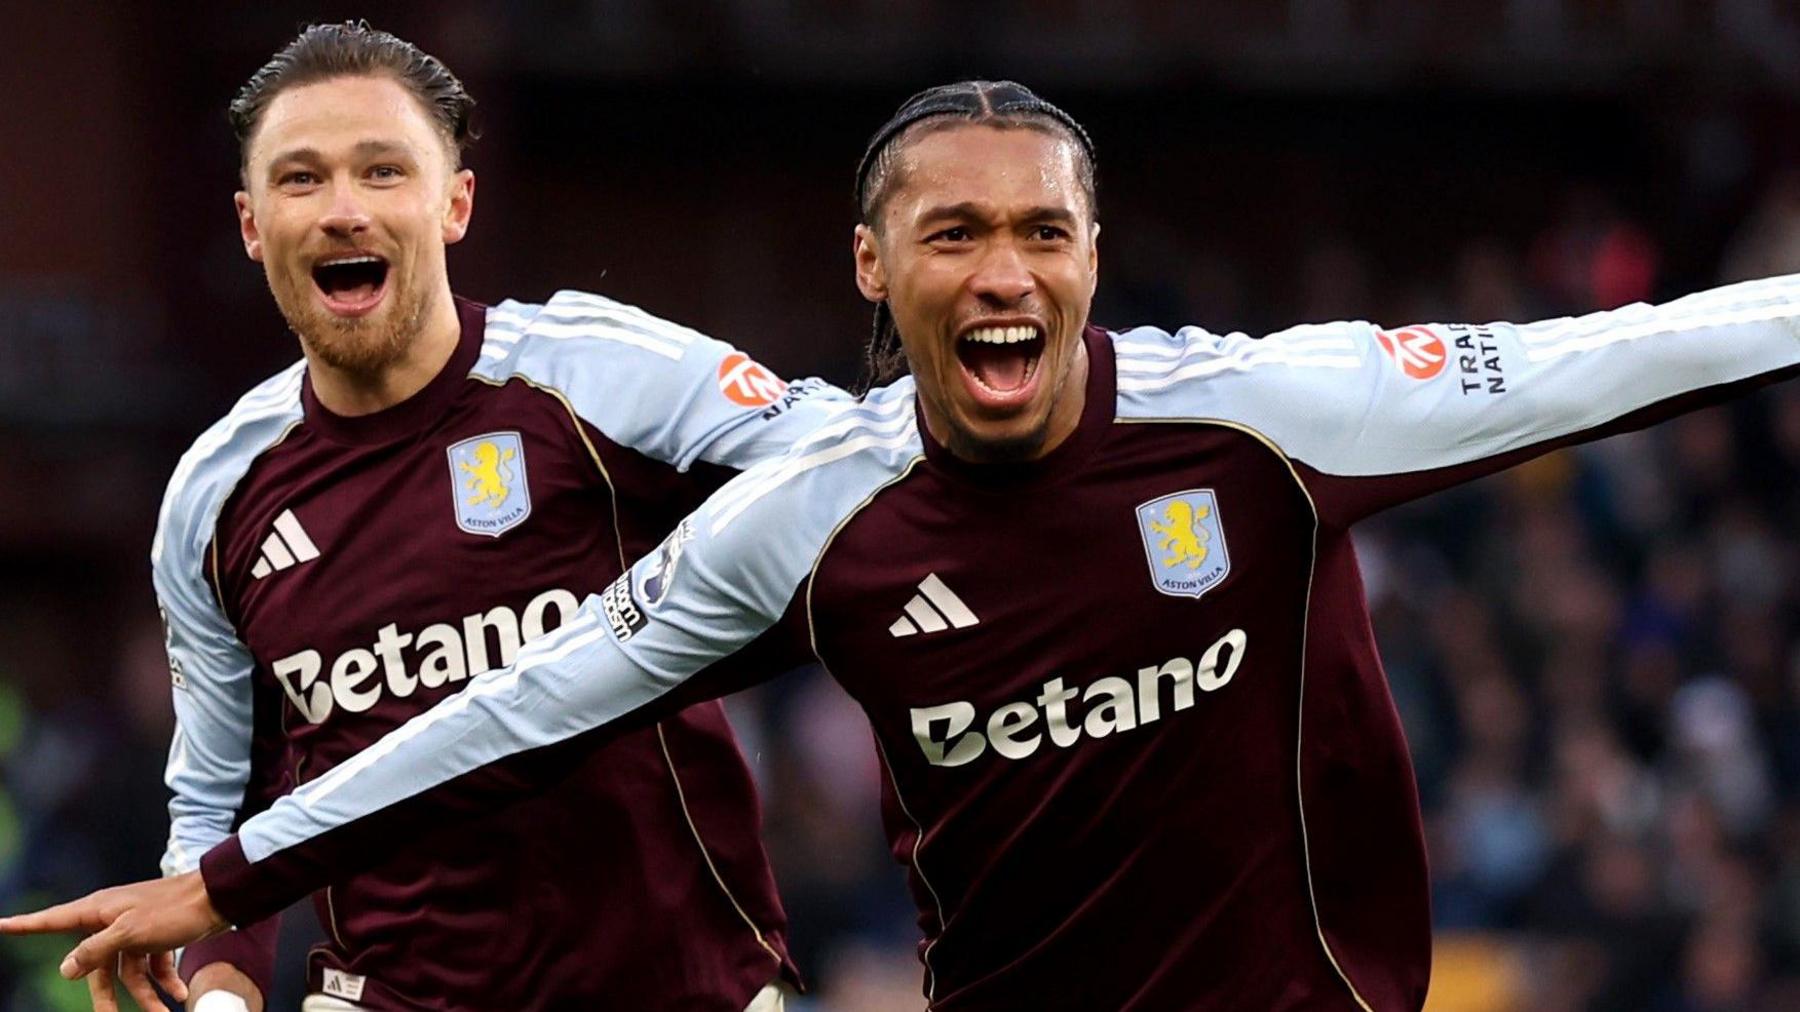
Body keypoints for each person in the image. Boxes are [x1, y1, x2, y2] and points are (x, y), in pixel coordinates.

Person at [9, 80, 1800, 1011]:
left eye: (1042, 232)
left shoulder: (1271, 417)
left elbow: (1620, 353)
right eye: (953, 234)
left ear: (1094, 257)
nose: (1003, 271)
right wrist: (234, 875)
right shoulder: (818, 518)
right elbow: (525, 702)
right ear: (877, 272)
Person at [57, 21, 855, 1012]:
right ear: (252, 223)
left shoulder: (598, 374)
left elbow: (848, 460)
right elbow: (225, 792)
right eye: (301, 179)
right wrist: (219, 987)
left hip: (675, 985)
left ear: (455, 202)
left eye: (383, 171)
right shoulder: (215, 493)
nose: (343, 210)